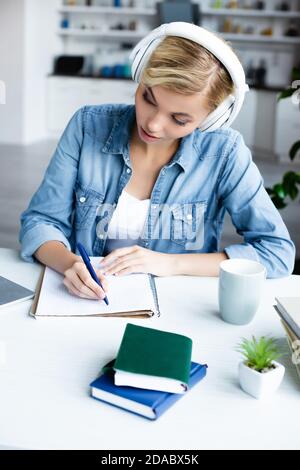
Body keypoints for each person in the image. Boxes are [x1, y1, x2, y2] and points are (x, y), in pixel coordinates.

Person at [19, 22, 295, 302]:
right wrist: (70, 264)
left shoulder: (224, 152)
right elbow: (41, 221)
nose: (152, 123)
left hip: (179, 307)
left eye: (179, 119)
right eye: (148, 98)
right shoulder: (88, 125)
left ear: (212, 119)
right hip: (89, 302)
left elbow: (277, 252)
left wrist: (169, 263)